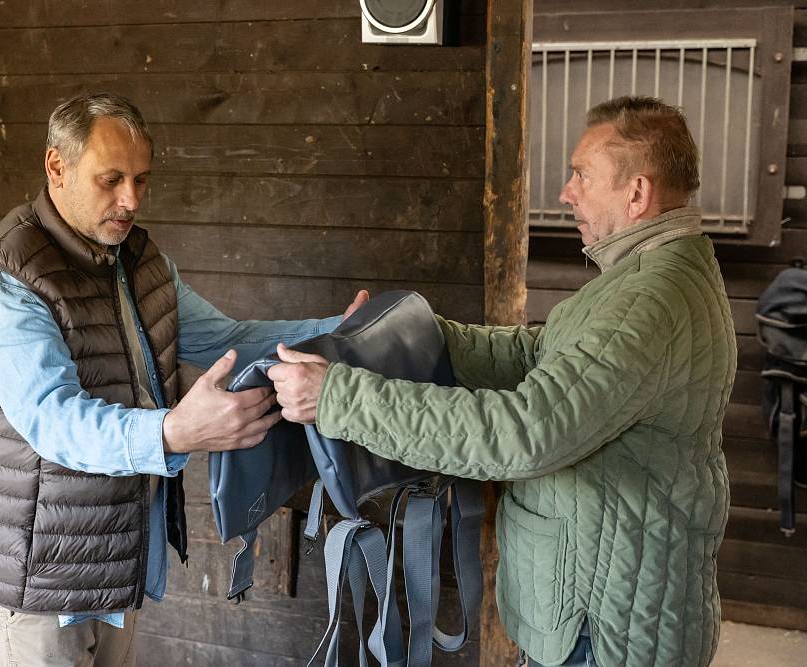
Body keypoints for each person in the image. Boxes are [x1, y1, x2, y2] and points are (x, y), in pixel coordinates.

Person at [268, 96, 736, 667]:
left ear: (636, 194)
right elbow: (537, 353)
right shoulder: (650, 273)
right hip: (607, 608)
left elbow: (526, 433)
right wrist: (405, 337)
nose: (567, 192)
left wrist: (337, 398)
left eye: (581, 176)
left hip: (600, 633)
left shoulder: (648, 299)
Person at [0, 92, 367, 667]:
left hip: (111, 558)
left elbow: (222, 337)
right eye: (111, 179)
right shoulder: (1, 281)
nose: (130, 199)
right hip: (29, 583)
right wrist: (174, 432)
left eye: (142, 180)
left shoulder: (133, 258)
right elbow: (54, 421)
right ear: (55, 166)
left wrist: (336, 333)